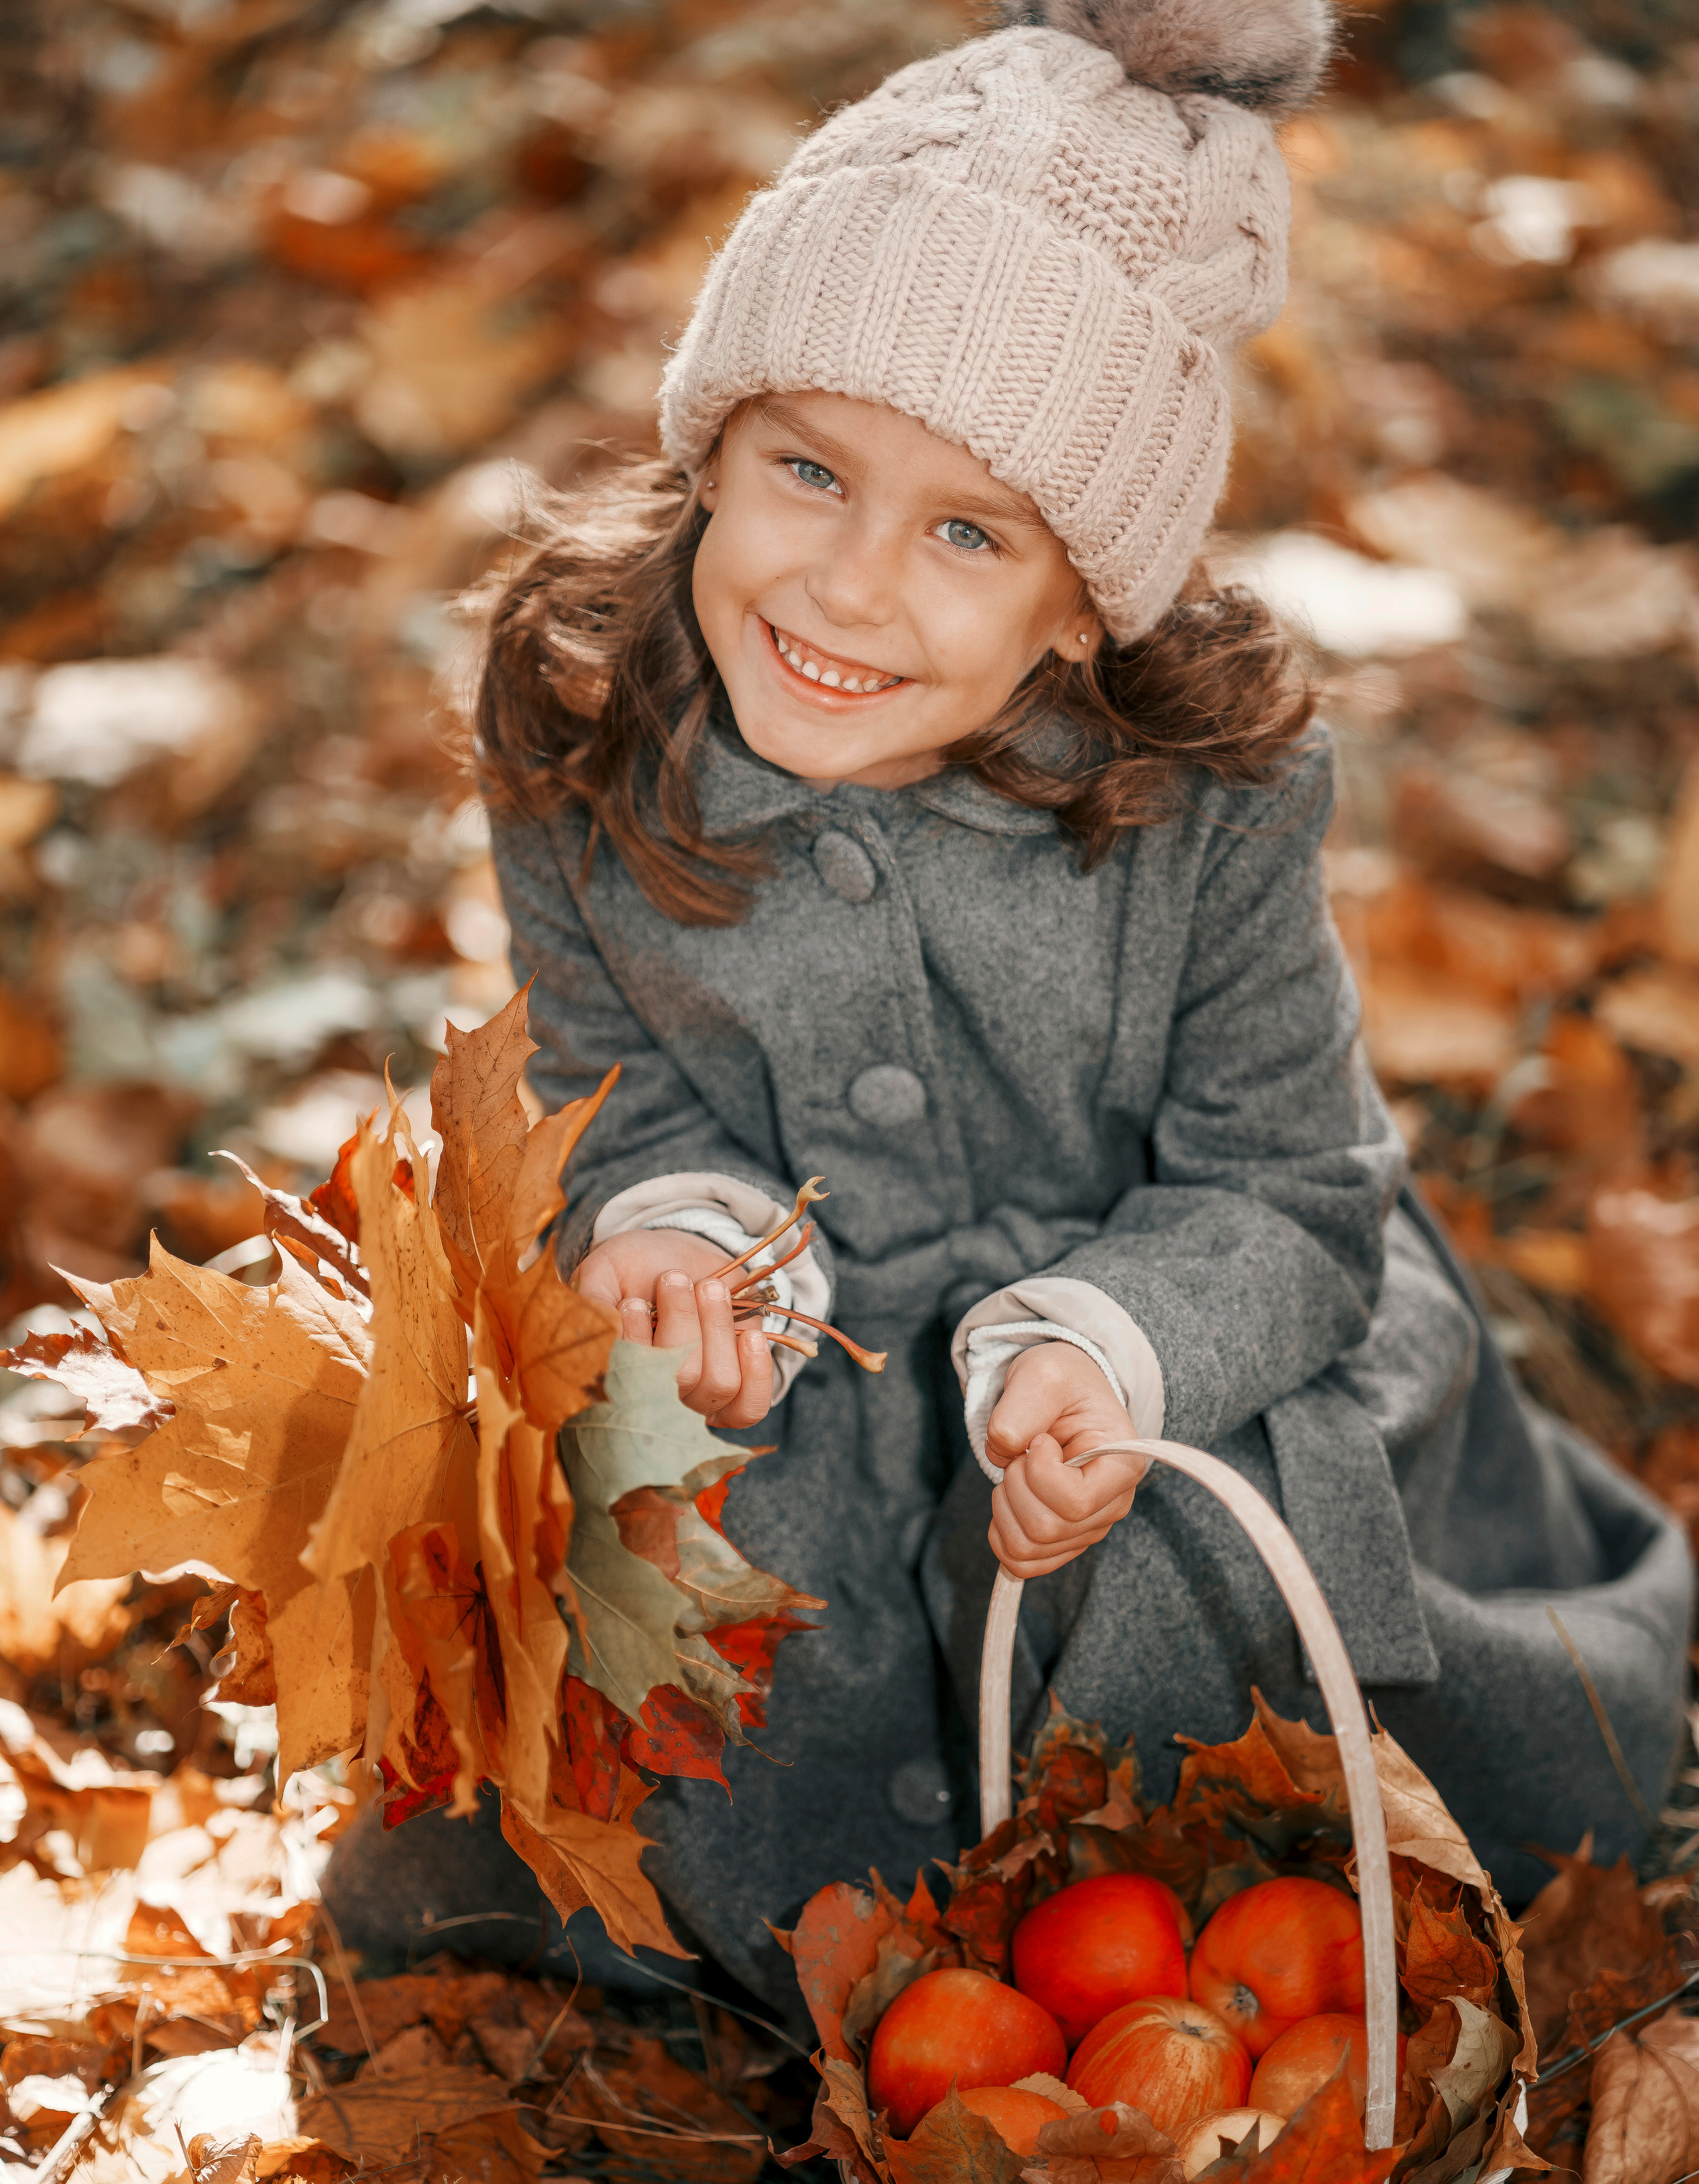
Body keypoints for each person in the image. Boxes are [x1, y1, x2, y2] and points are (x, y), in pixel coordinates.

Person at [323, 0, 1692, 2008]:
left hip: (1175, 1334)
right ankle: (799, 1947)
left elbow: (1292, 1192)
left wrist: (1118, 1353)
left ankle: (1178, 1959)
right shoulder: (589, 722)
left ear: (1088, 600)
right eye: (806, 470)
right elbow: (616, 1088)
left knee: (1174, 1575)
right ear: (717, 441)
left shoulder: (1202, 802)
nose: (852, 586)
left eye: (968, 531)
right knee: (664, 1556)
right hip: (820, 1369)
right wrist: (692, 1256)